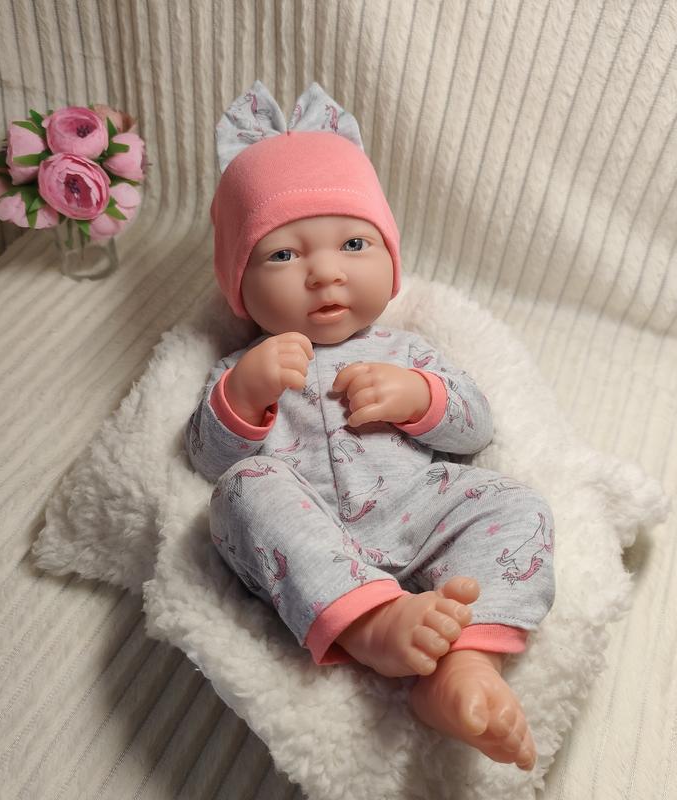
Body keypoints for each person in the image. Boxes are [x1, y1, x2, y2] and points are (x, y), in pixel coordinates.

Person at [185, 82, 555, 771]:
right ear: (239, 285)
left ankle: (465, 666)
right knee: (241, 489)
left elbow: (475, 429)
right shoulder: (242, 364)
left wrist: (420, 396)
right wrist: (246, 392)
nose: (325, 273)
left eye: (354, 243)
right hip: (309, 531)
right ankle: (371, 622)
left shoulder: (408, 349)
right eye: (283, 255)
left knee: (515, 504)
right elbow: (206, 457)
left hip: (419, 509)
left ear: (390, 262)